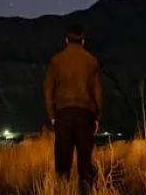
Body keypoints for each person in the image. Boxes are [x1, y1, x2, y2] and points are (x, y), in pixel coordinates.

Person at [44, 24, 103, 188]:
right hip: (86, 114)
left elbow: (48, 91)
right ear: (82, 41)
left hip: (63, 114)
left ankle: (63, 191)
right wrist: (97, 116)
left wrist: (52, 116)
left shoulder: (56, 60)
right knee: (85, 163)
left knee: (62, 164)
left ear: (66, 40)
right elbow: (97, 91)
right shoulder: (92, 61)